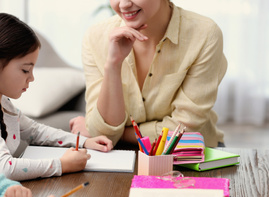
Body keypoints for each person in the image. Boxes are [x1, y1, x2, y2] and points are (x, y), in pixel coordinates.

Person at [0, 13, 113, 181]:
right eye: (25, 70)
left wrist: (83, 141)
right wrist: (62, 164)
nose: (31, 78)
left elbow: (35, 132)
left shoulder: (1, 102)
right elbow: (4, 169)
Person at [69, 0, 227, 148]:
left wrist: (122, 134)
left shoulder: (204, 34)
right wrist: (113, 65)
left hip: (189, 155)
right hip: (117, 155)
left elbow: (184, 130)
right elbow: (104, 136)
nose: (123, 4)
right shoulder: (95, 37)